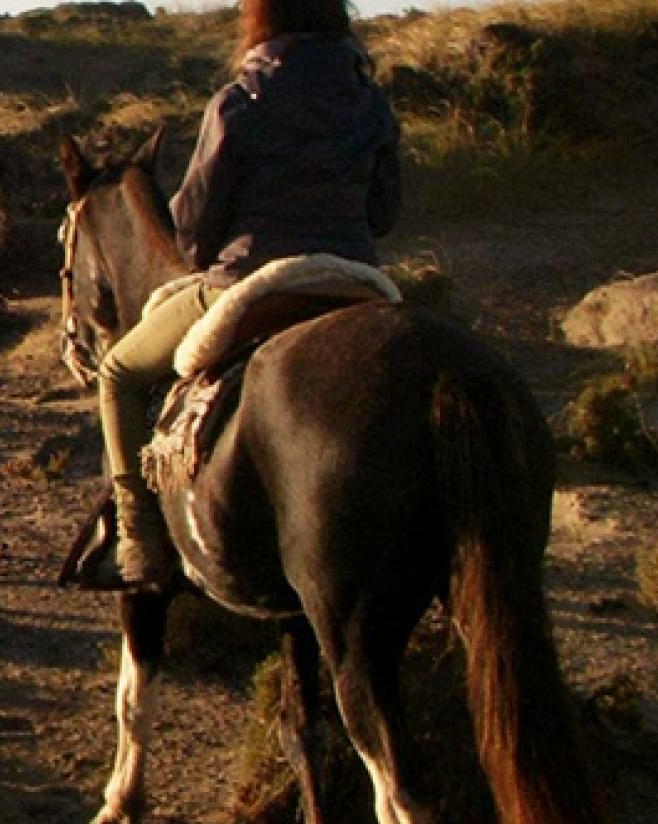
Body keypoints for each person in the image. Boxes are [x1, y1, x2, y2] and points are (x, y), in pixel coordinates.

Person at [67, 0, 402, 591]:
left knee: (118, 370)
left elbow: (193, 232)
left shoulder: (239, 102)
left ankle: (139, 540)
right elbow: (384, 213)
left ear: (260, 18)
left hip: (250, 279)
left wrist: (213, 258)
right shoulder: (370, 102)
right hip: (353, 279)